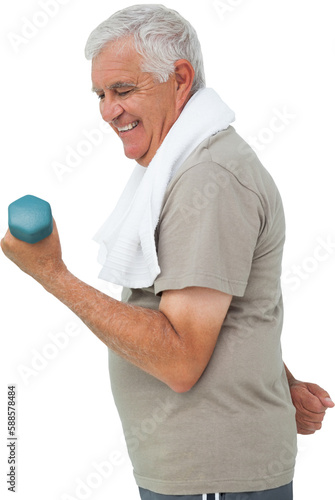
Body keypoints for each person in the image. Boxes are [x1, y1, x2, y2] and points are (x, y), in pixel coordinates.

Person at [1, 4, 333, 500]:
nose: (108, 110)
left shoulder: (208, 178)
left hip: (215, 478)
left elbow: (180, 360)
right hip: (202, 474)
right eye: (100, 94)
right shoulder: (182, 168)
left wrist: (52, 274)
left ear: (180, 78)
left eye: (123, 90)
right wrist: (278, 379)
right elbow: (221, 310)